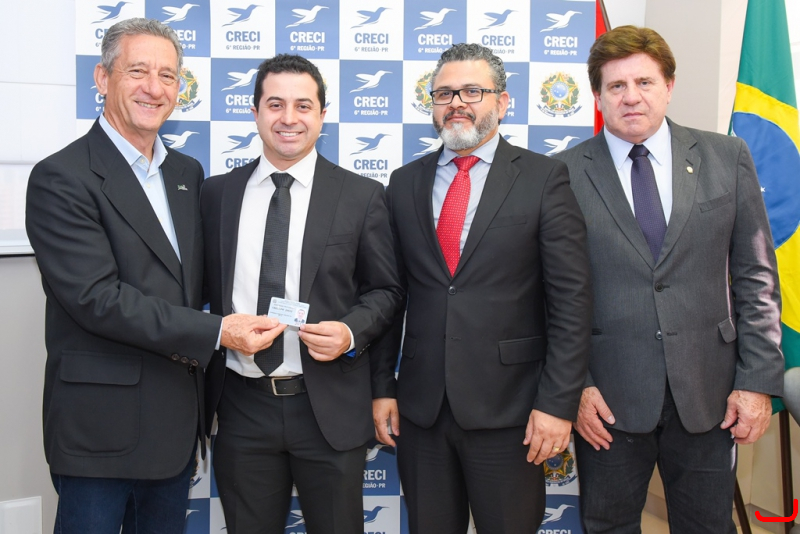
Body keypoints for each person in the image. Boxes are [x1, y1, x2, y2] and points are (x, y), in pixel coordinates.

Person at [25, 17, 282, 534]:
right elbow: (97, 299)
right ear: (103, 78)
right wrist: (219, 331)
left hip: (175, 427)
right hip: (101, 430)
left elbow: (194, 283)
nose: (154, 87)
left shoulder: (185, 173)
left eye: (168, 76)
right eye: (138, 71)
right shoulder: (61, 177)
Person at [554, 25, 784, 533]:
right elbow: (549, 296)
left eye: (644, 82)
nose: (631, 96)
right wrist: (577, 388)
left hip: (710, 396)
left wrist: (756, 383)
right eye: (616, 86)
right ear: (597, 96)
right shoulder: (561, 174)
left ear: (669, 86)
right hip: (607, 403)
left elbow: (757, 278)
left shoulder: (726, 157)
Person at [370, 43, 592, 533]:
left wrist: (557, 404)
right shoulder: (403, 183)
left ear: (502, 102)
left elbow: (571, 302)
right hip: (422, 412)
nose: (457, 103)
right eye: (444, 93)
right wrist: (382, 386)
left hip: (513, 413)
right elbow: (390, 295)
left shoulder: (544, 178)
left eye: (472, 91)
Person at [201, 54, 403, 534]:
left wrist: (350, 332)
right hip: (241, 405)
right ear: (255, 112)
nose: (288, 118)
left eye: (303, 105)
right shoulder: (216, 195)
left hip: (328, 405)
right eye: (275, 104)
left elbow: (387, 290)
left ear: (322, 115)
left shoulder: (361, 195)